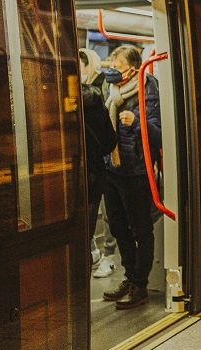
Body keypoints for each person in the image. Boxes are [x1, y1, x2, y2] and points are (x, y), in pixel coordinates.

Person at [100, 45, 163, 310]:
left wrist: (135, 121)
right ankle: (129, 276)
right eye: (111, 65)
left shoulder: (147, 89)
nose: (112, 70)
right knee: (117, 226)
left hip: (135, 171)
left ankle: (140, 284)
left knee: (140, 229)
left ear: (133, 69)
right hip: (112, 169)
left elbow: (157, 132)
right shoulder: (111, 90)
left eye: (117, 66)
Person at [79, 48, 118, 270]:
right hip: (95, 173)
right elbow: (110, 140)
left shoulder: (57, 99)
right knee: (88, 229)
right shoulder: (96, 99)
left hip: (75, 178)